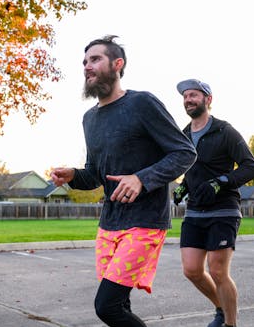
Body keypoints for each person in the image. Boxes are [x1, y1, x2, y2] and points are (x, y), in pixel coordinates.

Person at [50, 35, 197, 327]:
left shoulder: (142, 103)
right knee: (121, 305)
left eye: (95, 59)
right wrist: (74, 176)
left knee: (107, 307)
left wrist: (142, 179)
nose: (87, 67)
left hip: (144, 221)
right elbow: (95, 174)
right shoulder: (89, 119)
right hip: (109, 224)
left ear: (118, 64)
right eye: (84, 62)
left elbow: (184, 152)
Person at [173, 79, 254, 327]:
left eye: (194, 95)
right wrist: (184, 186)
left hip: (224, 210)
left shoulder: (224, 131)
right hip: (196, 211)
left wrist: (221, 181)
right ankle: (221, 308)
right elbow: (192, 169)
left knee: (218, 271)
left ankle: (230, 323)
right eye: (186, 96)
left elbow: (250, 166)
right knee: (192, 270)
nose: (189, 99)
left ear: (208, 99)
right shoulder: (183, 135)